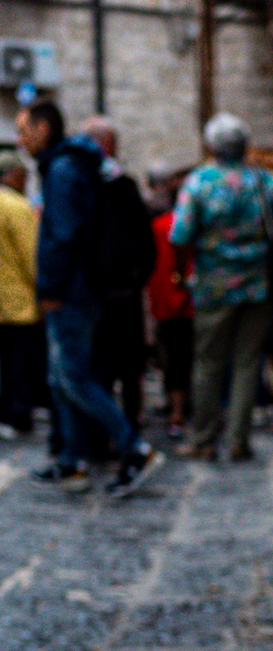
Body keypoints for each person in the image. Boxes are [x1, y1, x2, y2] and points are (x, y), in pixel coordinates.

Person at [16, 99, 159, 498]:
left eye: (24, 129)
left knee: (74, 375)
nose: (20, 139)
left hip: (71, 291)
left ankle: (133, 447)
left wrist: (50, 288)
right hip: (81, 287)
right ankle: (73, 459)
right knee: (62, 375)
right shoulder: (72, 166)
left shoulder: (62, 171)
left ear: (44, 129)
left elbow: (61, 236)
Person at [170, 113, 273, 462]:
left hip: (213, 285)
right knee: (248, 363)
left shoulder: (199, 182)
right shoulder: (265, 182)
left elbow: (180, 236)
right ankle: (238, 440)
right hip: (257, 284)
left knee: (208, 363)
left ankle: (203, 438)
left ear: (211, 145)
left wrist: (179, 274)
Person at [82, 116, 157, 430]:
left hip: (108, 291)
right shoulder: (114, 184)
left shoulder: (99, 185)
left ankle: (116, 430)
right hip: (118, 289)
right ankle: (123, 427)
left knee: (115, 365)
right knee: (121, 365)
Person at [145, 161, 192, 438]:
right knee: (187, 358)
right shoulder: (188, 228)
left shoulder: (158, 226)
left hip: (164, 302)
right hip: (188, 301)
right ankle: (183, 409)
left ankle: (175, 410)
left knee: (171, 358)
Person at [0, 159, 42, 436]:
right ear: (15, 175)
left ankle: (8, 414)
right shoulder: (17, 206)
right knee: (20, 365)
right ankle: (19, 417)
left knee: (6, 364)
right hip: (20, 300)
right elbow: (32, 256)